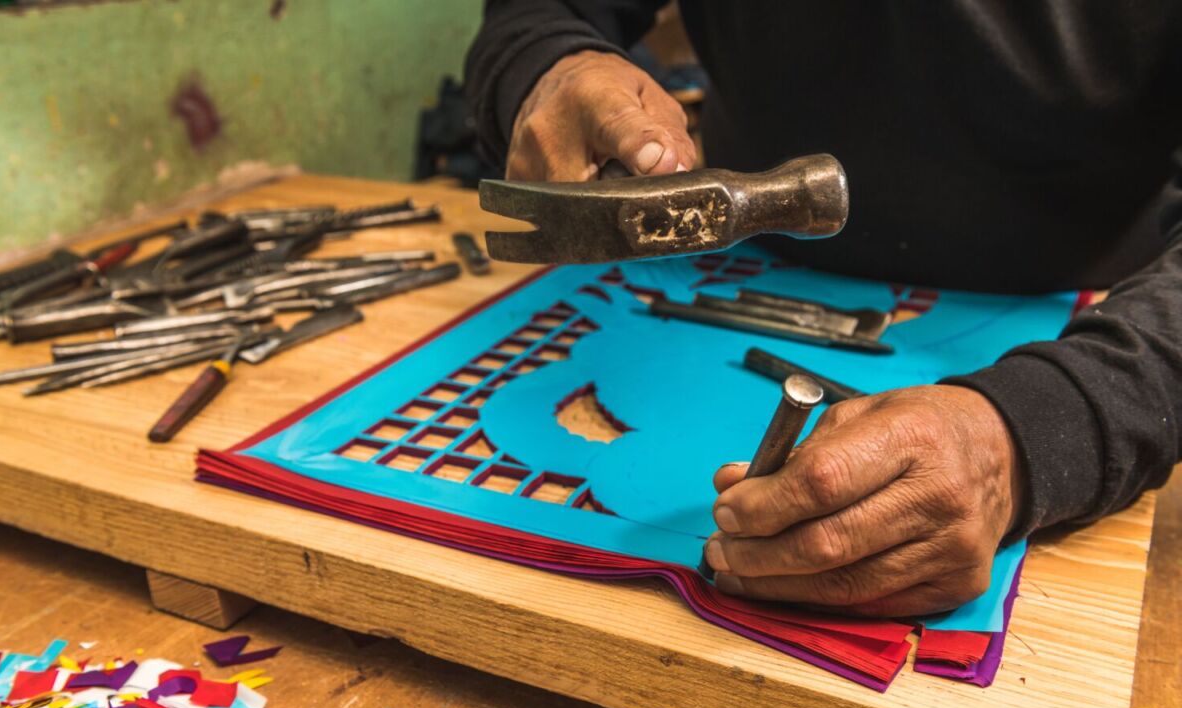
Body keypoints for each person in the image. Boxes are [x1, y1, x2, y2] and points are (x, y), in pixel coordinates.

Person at [464, 2, 1182, 616]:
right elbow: (540, 9)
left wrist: (1041, 428)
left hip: (1087, 323)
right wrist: (548, 66)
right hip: (727, 277)